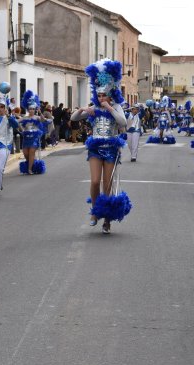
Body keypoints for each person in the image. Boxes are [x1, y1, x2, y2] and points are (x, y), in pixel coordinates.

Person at [71, 58, 129, 234]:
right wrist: (82, 110)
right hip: (96, 148)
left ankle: (107, 220)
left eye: (104, 95)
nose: (101, 98)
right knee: (95, 182)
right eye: (99, 95)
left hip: (111, 148)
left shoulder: (116, 107)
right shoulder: (93, 108)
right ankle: (95, 212)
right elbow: (73, 119)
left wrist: (110, 108)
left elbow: (123, 123)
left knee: (107, 185)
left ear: (111, 95)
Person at [19, 90, 47, 174]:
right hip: (26, 138)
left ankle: (30, 169)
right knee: (25, 153)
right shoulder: (25, 117)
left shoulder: (37, 117)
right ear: (28, 109)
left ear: (35, 109)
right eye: (30, 109)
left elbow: (43, 120)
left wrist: (40, 111)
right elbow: (17, 122)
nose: (31, 110)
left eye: (33, 109)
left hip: (34, 137)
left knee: (31, 152)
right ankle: (32, 164)